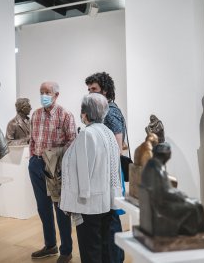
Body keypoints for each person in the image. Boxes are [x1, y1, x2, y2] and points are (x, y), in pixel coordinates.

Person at [60, 93, 122, 263]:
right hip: (106, 201)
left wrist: (74, 203)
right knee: (104, 248)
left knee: (91, 251)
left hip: (89, 205)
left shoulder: (87, 134)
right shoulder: (108, 132)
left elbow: (83, 172)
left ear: (85, 114)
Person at [29, 81, 76, 263]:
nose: (43, 95)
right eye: (41, 92)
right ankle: (50, 245)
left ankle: (66, 250)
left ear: (56, 95)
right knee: (43, 208)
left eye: (47, 92)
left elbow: (72, 141)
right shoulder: (36, 114)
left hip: (56, 166)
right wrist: (33, 158)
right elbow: (33, 139)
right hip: (36, 164)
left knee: (61, 209)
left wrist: (61, 164)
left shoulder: (65, 115)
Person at [85, 72, 125, 263]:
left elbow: (117, 148)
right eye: (89, 90)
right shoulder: (104, 110)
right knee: (107, 220)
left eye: (94, 89)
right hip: (106, 174)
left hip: (109, 175)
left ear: (105, 91)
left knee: (110, 220)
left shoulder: (111, 111)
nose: (90, 93)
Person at [139, 143, 204, 236]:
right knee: (195, 205)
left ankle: (195, 228)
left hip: (161, 201)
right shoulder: (156, 168)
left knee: (196, 204)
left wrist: (177, 193)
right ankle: (191, 231)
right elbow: (164, 192)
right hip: (162, 206)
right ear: (166, 155)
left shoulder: (152, 165)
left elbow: (164, 189)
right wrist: (181, 196)